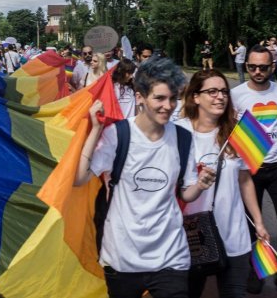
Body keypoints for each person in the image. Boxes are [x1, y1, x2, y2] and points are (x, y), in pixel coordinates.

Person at [74, 57, 217, 298]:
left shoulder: (183, 138)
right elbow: (79, 178)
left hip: (171, 255)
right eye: (159, 98)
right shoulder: (118, 135)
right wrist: (95, 130)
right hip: (122, 258)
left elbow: (185, 193)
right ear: (139, 97)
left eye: (173, 98)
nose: (168, 106)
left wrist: (200, 185)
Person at [177, 70, 270, 298]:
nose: (220, 97)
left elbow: (245, 180)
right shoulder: (178, 132)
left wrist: (258, 222)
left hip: (233, 233)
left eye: (224, 92)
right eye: (212, 91)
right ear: (195, 97)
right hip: (190, 235)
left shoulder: (240, 131)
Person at [231, 45, 277, 298]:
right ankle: (257, 269)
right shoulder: (237, 94)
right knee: (251, 224)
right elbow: (228, 132)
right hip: (248, 168)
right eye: (252, 67)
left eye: (263, 67)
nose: (257, 71)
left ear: (272, 66)